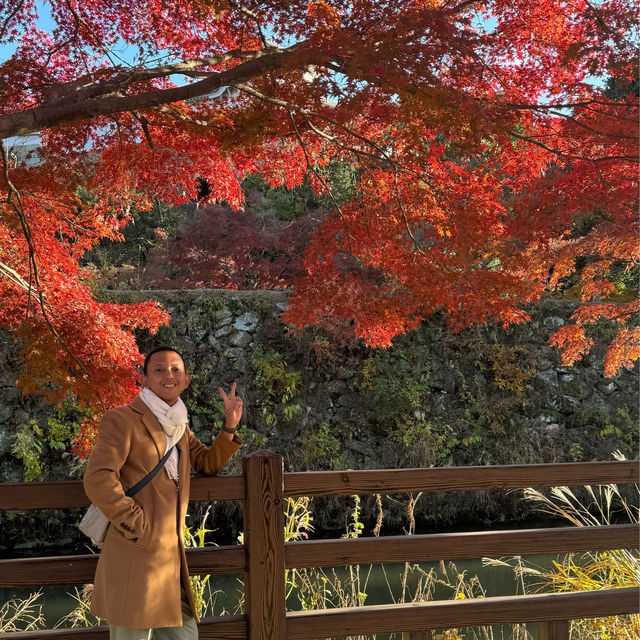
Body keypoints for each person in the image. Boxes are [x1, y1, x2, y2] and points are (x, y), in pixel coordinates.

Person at [83, 347, 243, 640]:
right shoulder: (122, 419)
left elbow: (206, 463)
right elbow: (97, 478)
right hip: (135, 551)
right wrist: (135, 523)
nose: (168, 375)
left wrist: (229, 426)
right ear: (144, 379)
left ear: (186, 380)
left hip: (169, 559)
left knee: (185, 634)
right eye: (158, 370)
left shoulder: (179, 425)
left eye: (175, 370)